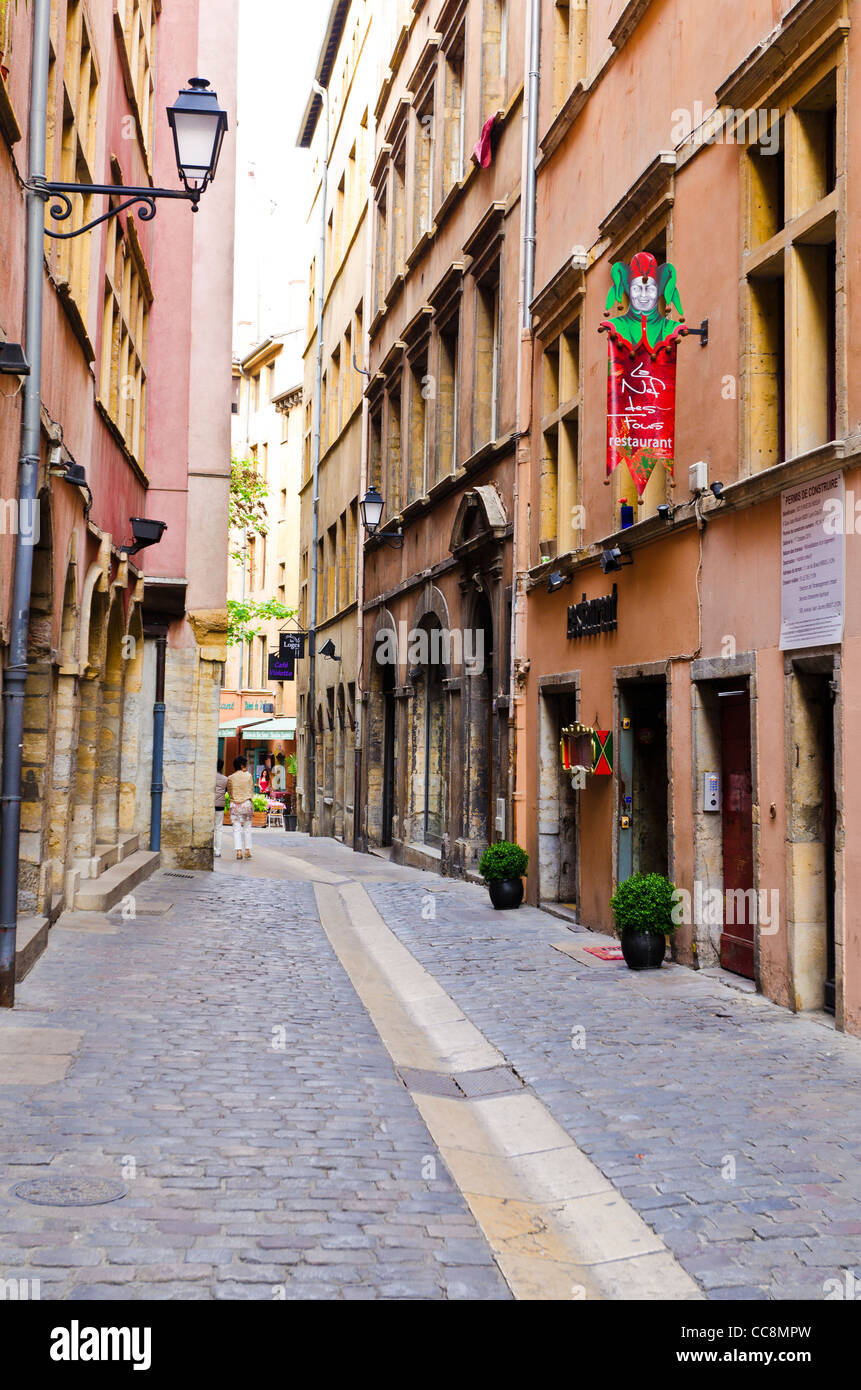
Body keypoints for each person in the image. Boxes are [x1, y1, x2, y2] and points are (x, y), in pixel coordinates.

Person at [225, 755, 255, 860]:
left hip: (235, 805)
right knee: (247, 828)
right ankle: (247, 850)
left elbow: (229, 791)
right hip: (246, 804)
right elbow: (251, 790)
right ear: (242, 765)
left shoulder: (230, 778)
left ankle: (238, 852)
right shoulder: (248, 776)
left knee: (236, 829)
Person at [214, 758, 227, 858]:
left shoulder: (209, 777)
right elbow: (225, 791)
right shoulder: (225, 779)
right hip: (220, 806)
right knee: (218, 828)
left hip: (210, 806)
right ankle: (217, 851)